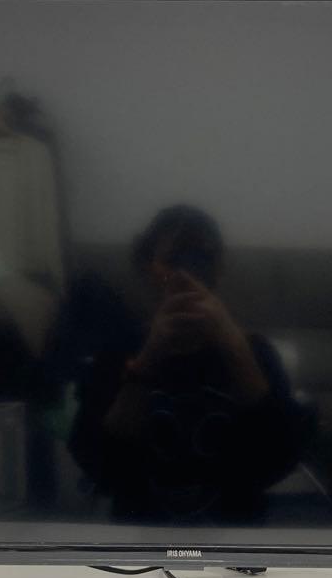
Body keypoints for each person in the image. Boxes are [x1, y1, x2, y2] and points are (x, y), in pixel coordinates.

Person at [69, 205, 314, 521]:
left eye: (203, 259)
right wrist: (149, 357)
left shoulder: (256, 351)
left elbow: (280, 459)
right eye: (174, 260)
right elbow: (98, 466)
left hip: (232, 537)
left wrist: (236, 348)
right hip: (141, 536)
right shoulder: (119, 351)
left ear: (219, 269)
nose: (187, 274)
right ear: (147, 268)